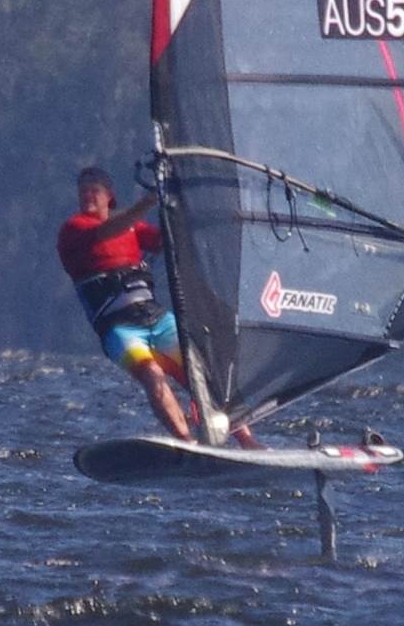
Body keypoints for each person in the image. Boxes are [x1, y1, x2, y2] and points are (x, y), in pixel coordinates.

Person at [57, 164, 256, 447]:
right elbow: (110, 230)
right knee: (152, 375)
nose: (88, 196)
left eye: (94, 191)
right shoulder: (74, 229)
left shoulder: (133, 228)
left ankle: (247, 441)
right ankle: (187, 442)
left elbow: (170, 241)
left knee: (203, 375)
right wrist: (151, 199)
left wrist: (193, 214)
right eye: (83, 191)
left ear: (109, 195)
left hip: (157, 319)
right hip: (120, 329)